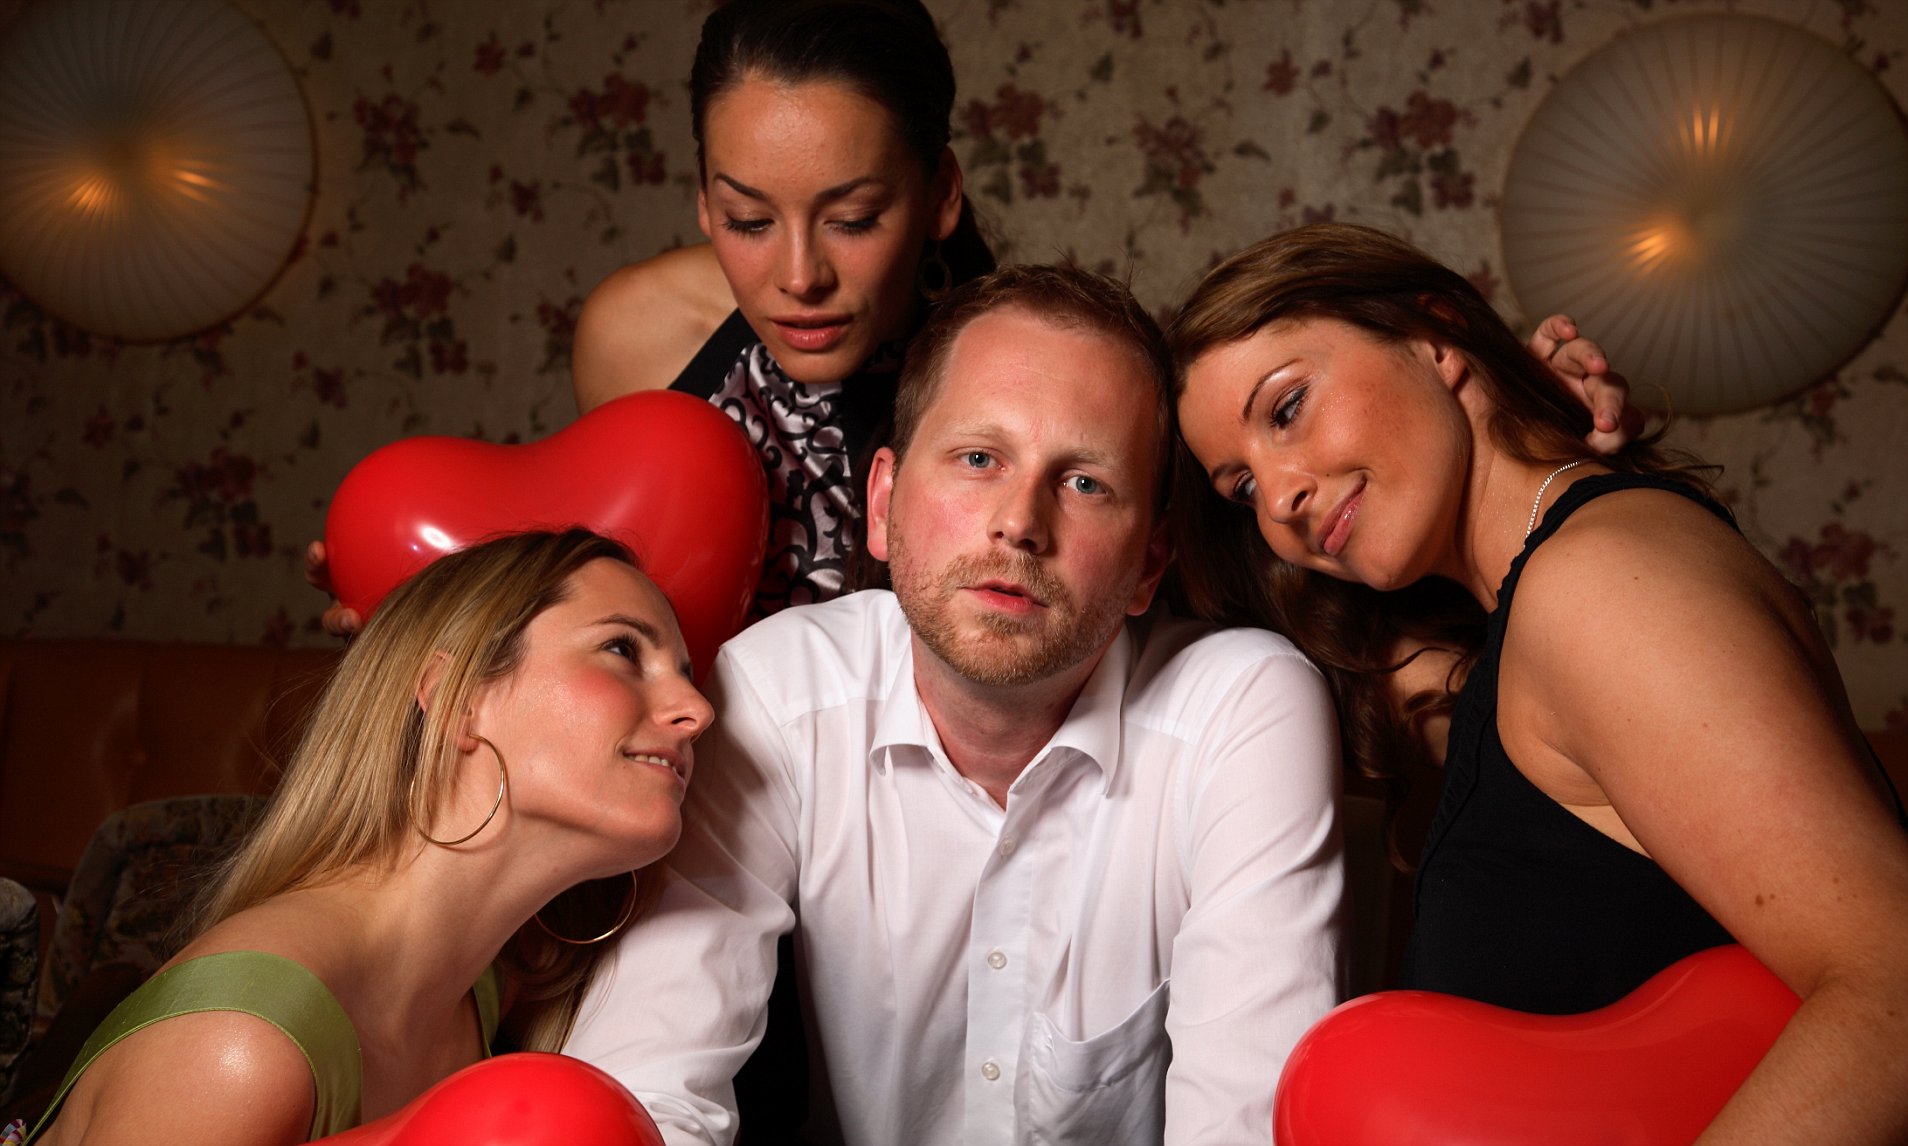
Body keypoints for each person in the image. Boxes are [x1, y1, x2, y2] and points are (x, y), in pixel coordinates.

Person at [564, 264, 1342, 1145]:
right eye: (979, 459)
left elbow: (1246, 1129)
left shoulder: (1240, 713)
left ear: (1148, 566)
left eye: (1085, 483)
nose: (1020, 522)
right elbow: (645, 1093)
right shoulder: (779, 696)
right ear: (883, 504)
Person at [1169, 222, 1908, 1145]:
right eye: (1241, 488)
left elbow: (1893, 983)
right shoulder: (1518, 630)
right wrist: (1508, 401)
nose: (1278, 497)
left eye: (1286, 409)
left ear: (1435, 338)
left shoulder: (1595, 587)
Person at [26, 529, 712, 1144]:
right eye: (623, 649)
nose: (699, 710)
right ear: (458, 699)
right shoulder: (238, 1050)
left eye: (685, 674)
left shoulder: (486, 985)